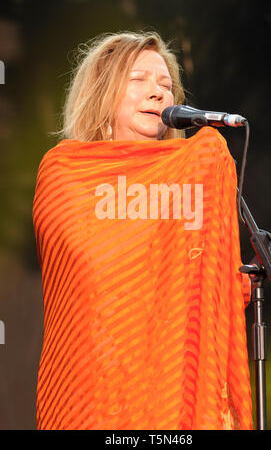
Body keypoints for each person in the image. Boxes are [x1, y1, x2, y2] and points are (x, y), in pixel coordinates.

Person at [32, 31, 253, 430]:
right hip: (95, 396)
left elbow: (215, 280)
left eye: (166, 86)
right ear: (103, 90)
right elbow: (93, 271)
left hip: (179, 391)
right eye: (139, 80)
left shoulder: (194, 175)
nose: (158, 94)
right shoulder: (64, 171)